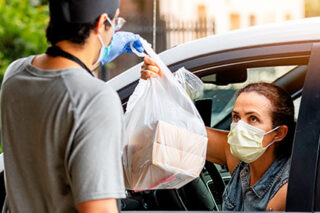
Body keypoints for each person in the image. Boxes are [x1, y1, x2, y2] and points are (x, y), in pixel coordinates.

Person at [0, 0, 152, 212]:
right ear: (101, 23)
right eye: (116, 21)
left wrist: (99, 54)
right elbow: (98, 208)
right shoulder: (96, 100)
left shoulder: (15, 75)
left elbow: (64, 73)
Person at [141, 61, 295, 211]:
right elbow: (178, 133)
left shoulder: (284, 191)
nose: (240, 127)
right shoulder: (239, 159)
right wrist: (158, 85)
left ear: (278, 133)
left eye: (253, 118)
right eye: (236, 117)